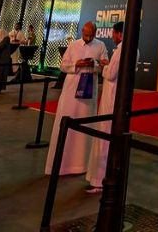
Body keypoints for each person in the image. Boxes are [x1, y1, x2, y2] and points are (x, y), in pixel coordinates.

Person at [45, 21, 108, 176]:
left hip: (88, 90)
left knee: (86, 123)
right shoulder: (73, 45)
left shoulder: (100, 46)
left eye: (91, 35)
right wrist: (76, 65)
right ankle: (63, 164)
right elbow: (64, 66)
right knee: (67, 121)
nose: (88, 37)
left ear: (95, 33)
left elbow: (103, 66)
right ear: (82, 32)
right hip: (71, 90)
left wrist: (93, 64)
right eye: (86, 35)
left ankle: (83, 164)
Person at [84, 21, 122, 195]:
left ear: (118, 34)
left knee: (104, 137)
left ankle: (99, 180)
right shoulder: (131, 49)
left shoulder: (120, 50)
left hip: (111, 97)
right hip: (116, 98)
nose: (112, 36)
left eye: (114, 33)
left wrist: (105, 67)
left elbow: (111, 74)